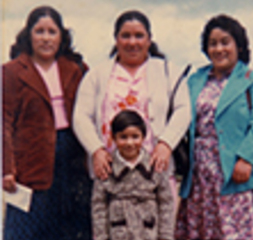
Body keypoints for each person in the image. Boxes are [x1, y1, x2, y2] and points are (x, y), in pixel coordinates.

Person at [73, 10, 190, 208]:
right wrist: (96, 150)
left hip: (155, 168)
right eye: (125, 35)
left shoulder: (168, 71)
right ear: (116, 39)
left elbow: (183, 109)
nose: (132, 42)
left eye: (139, 36)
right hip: (110, 172)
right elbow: (81, 116)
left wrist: (166, 144)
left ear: (149, 39)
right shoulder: (97, 75)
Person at [175, 14, 253, 240]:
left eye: (225, 42)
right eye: (212, 43)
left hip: (235, 174)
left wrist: (246, 158)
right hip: (200, 178)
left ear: (239, 46)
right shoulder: (195, 80)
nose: (219, 49)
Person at [2, 6, 92, 240]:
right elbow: (4, 122)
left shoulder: (76, 69)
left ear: (61, 36)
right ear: (28, 35)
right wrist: (7, 168)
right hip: (30, 160)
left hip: (71, 158)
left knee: (69, 228)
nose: (45, 38)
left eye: (52, 32)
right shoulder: (11, 72)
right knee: (26, 229)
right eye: (39, 31)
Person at [92, 109, 174, 240]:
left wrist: (165, 236)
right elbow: (99, 205)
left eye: (135, 137)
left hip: (148, 233)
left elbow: (166, 203)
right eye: (123, 137)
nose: (129, 143)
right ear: (113, 138)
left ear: (143, 137)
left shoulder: (154, 167)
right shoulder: (107, 169)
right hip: (119, 233)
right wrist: (102, 236)